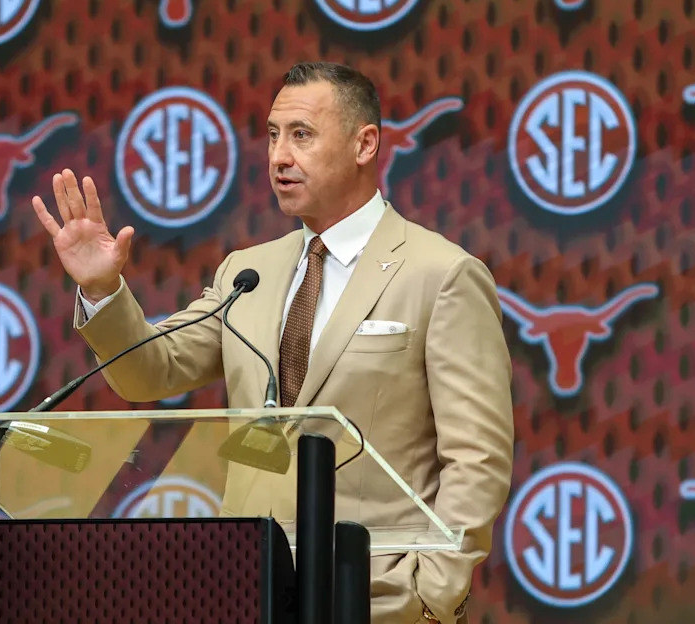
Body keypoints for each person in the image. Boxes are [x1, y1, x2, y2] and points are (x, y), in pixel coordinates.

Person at [32, 62, 514, 624]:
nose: (279, 156)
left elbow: (477, 459)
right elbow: (149, 371)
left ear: (365, 145)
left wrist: (431, 593)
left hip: (375, 600)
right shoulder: (247, 272)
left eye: (302, 135)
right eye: (272, 135)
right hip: (247, 591)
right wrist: (101, 288)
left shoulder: (442, 274)